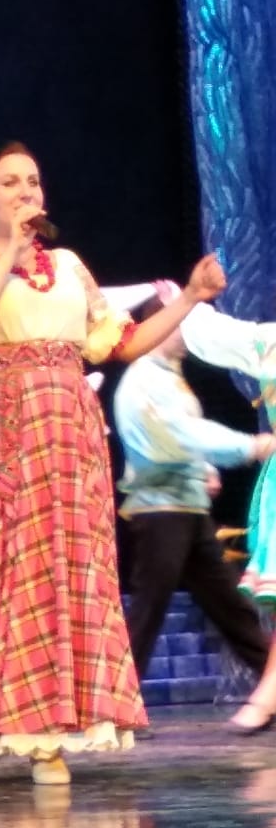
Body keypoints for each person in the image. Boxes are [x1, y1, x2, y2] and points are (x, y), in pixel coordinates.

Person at [0, 140, 226, 784]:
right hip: (7, 428)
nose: (26, 192)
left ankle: (63, 722)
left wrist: (192, 297)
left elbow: (119, 342)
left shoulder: (67, 266)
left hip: (70, 431)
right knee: (16, 566)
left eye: (32, 181)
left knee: (72, 566)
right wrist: (8, 251)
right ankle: (23, 728)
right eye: (10, 183)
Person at [113, 297, 273, 703]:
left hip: (187, 507)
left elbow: (182, 437)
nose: (187, 336)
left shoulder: (170, 377)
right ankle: (118, 702)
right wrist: (247, 445)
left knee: (230, 606)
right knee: (148, 609)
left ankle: (268, 691)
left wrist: (205, 469)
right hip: (160, 509)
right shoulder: (143, 378)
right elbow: (177, 434)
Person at [179, 300, 276, 733]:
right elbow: (218, 335)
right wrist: (183, 304)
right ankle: (267, 694)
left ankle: (267, 695)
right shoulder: (269, 342)